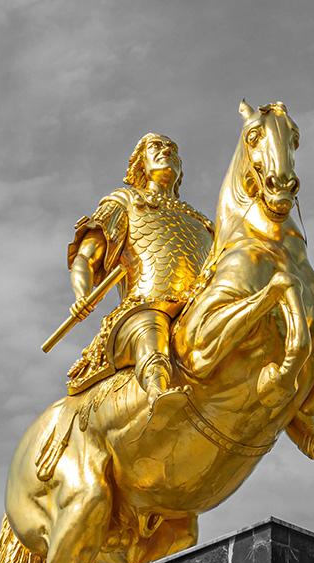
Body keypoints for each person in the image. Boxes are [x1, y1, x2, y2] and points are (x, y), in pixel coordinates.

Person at [64, 133, 214, 416]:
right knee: (150, 326)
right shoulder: (125, 202)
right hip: (144, 306)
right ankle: (158, 392)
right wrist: (82, 295)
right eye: (156, 147)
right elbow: (85, 257)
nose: (166, 151)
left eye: (172, 149)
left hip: (196, 310)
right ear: (140, 163)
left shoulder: (203, 223)